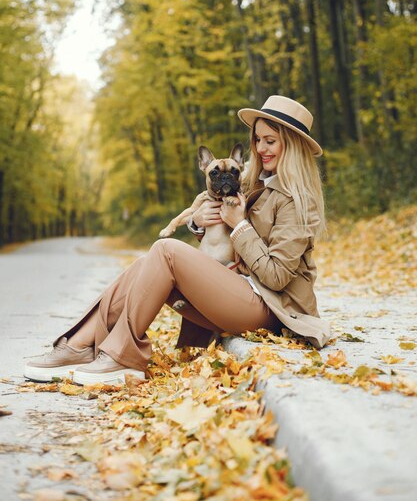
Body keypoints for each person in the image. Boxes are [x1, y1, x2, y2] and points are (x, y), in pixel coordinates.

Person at [24, 95, 331, 385]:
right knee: (146, 262)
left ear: (290, 145)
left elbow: (276, 277)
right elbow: (217, 219)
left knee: (165, 249)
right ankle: (79, 344)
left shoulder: (297, 200)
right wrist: (197, 222)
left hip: (272, 308)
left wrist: (238, 225)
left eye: (270, 141)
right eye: (258, 140)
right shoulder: (255, 180)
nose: (261, 148)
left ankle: (121, 357)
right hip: (240, 289)